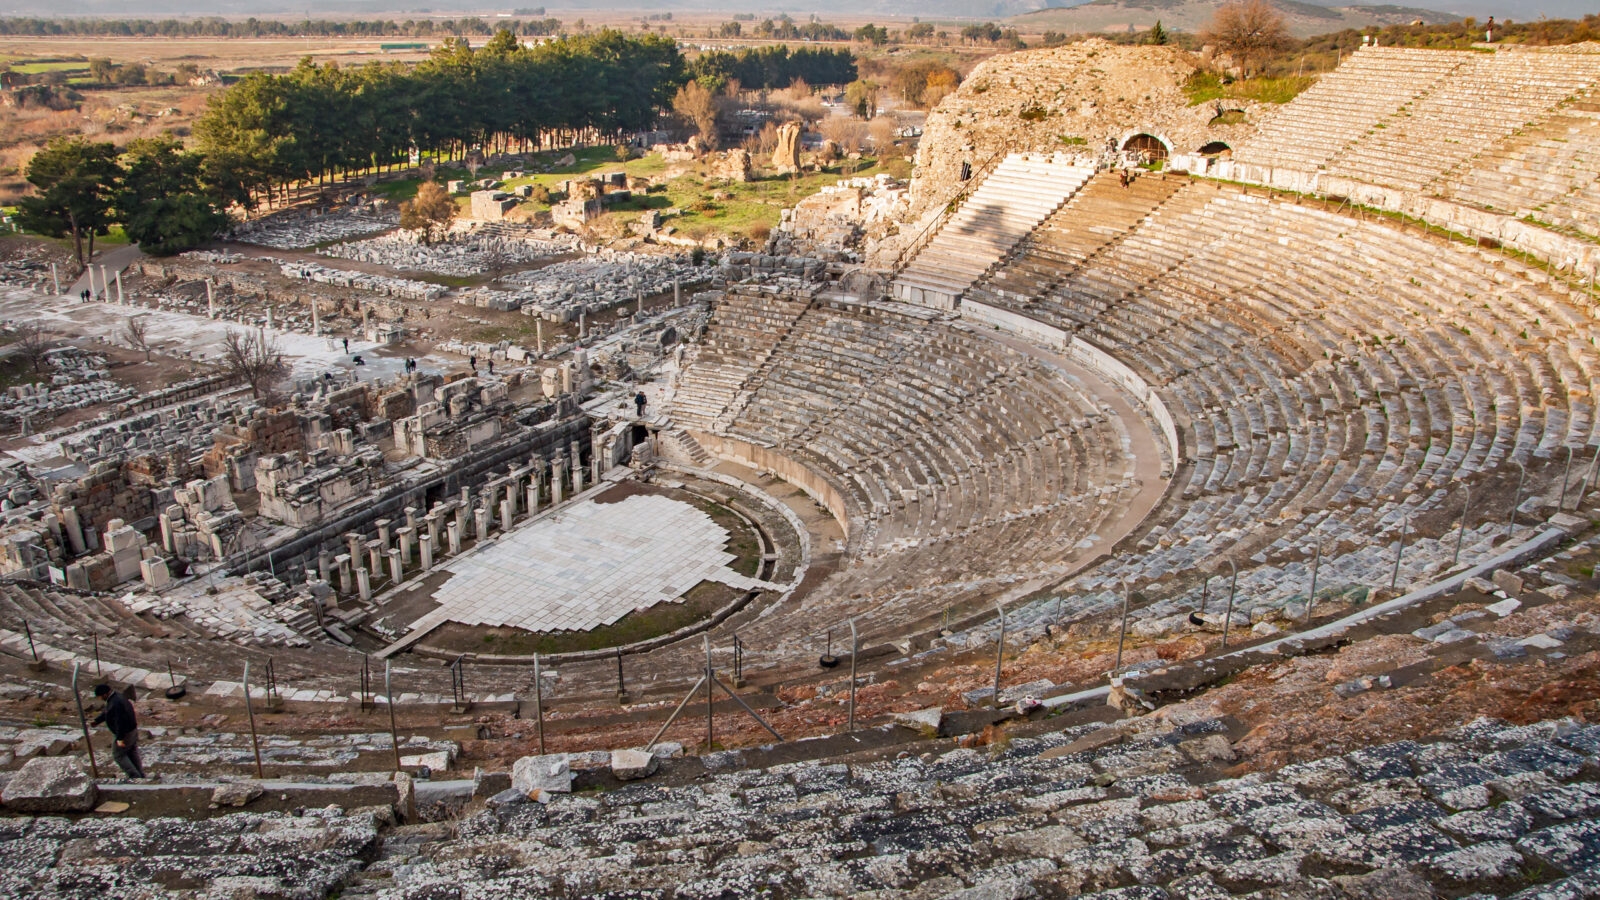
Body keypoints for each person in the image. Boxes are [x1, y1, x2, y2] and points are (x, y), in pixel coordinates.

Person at [91, 683, 145, 779]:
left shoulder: (115, 703)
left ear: (104, 694)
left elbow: (120, 721)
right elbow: (108, 712)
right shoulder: (117, 697)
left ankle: (135, 776)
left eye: (99, 697)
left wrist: (120, 738)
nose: (99, 699)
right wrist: (97, 720)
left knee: (118, 755)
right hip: (132, 730)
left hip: (125, 733)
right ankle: (140, 775)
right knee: (131, 751)